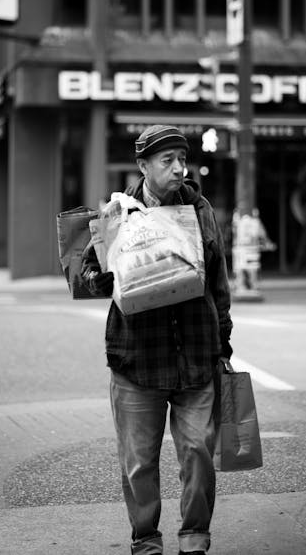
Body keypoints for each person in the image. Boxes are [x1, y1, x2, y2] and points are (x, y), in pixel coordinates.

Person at [81, 124, 233, 555]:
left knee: (199, 454)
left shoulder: (200, 209)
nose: (179, 169)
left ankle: (194, 540)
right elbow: (90, 279)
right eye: (167, 161)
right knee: (138, 464)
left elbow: (218, 282)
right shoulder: (117, 213)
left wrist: (224, 342)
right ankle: (146, 540)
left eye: (182, 160)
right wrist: (107, 273)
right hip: (137, 359)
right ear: (144, 166)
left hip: (197, 355)